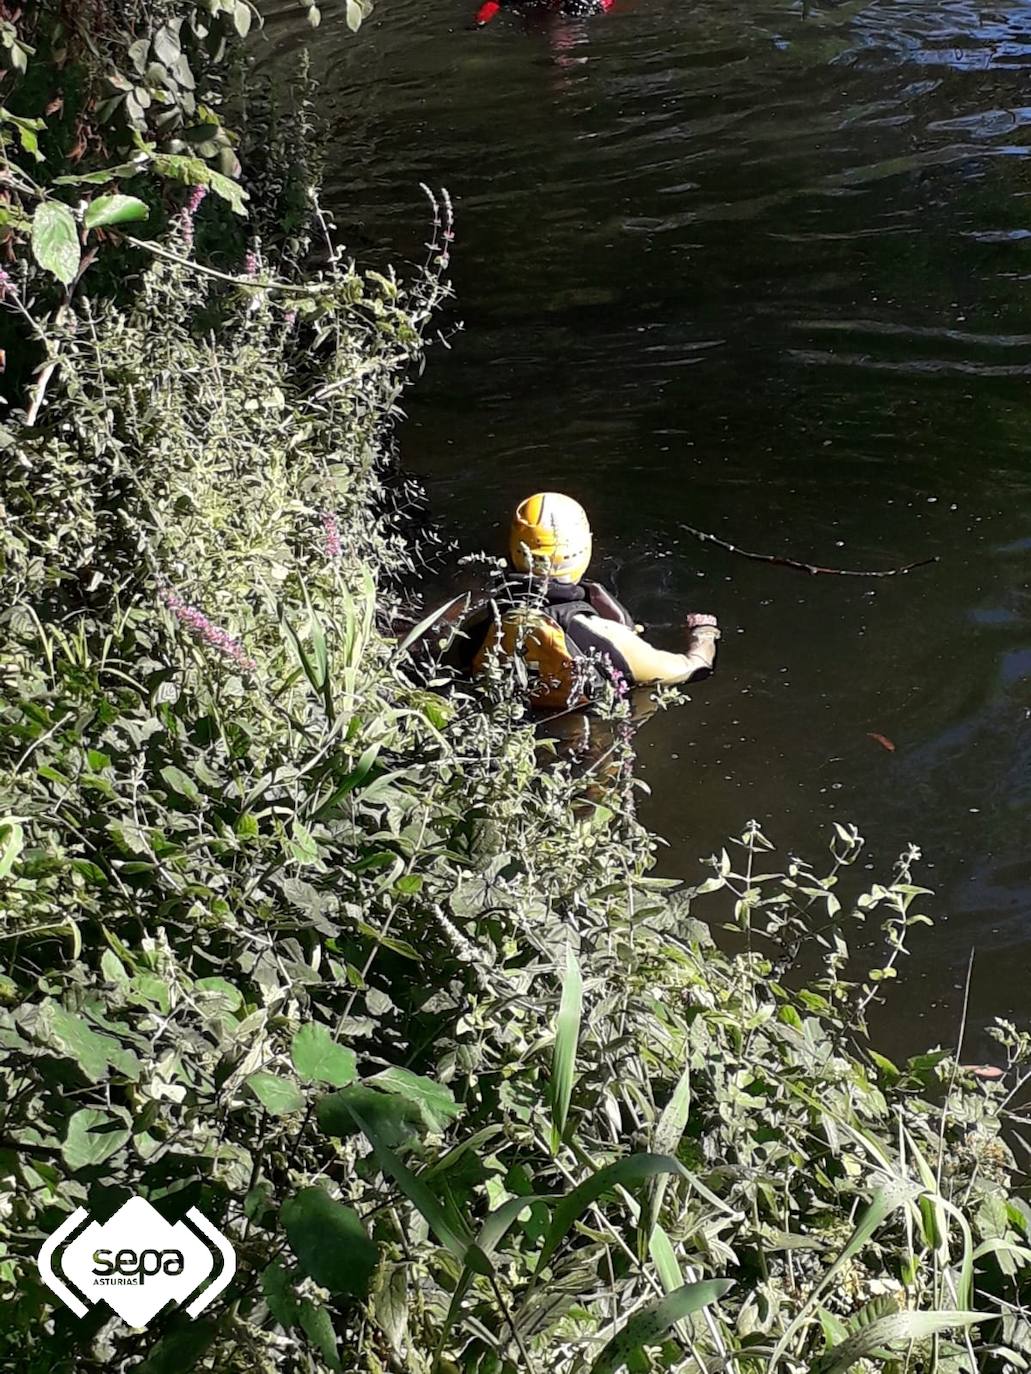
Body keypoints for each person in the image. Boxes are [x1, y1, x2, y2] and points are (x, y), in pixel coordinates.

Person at [452, 492, 720, 711]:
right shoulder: (605, 636)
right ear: (584, 548)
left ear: (514, 548)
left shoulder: (480, 625)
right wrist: (704, 635)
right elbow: (693, 669)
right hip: (585, 754)